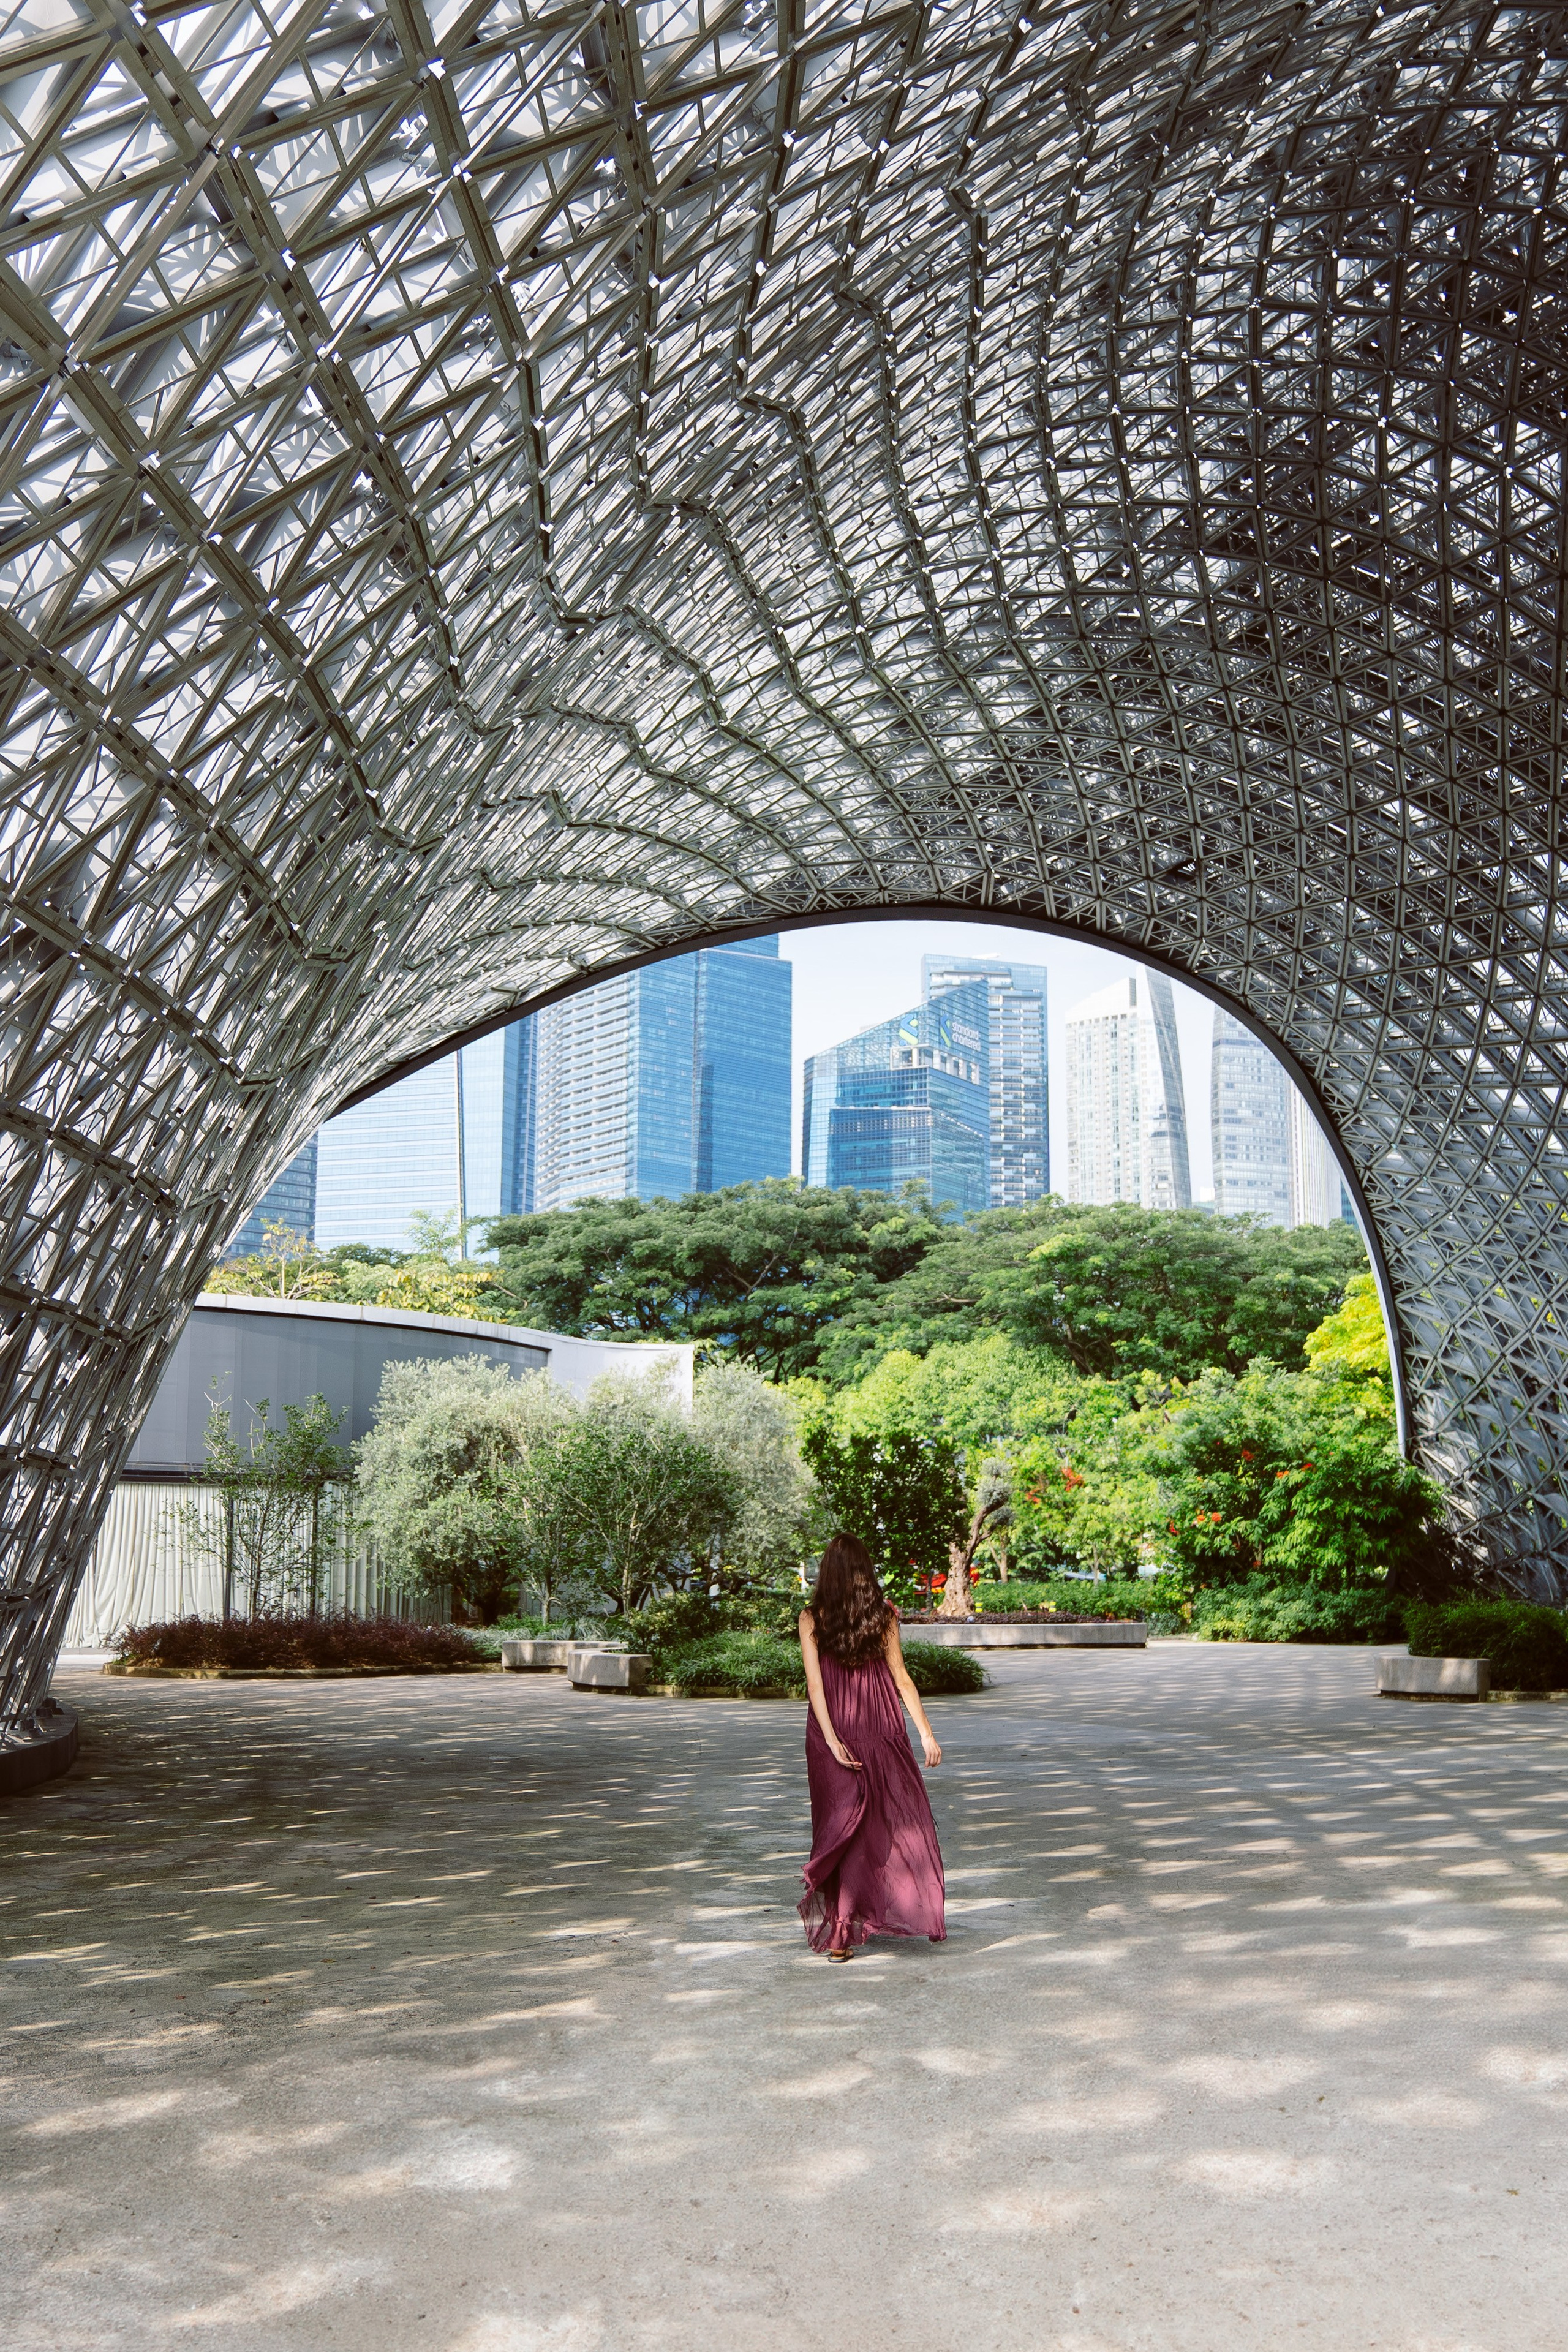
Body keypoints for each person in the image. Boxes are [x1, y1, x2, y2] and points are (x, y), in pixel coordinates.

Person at [797, 1531, 947, 1959]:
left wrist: (830, 1740)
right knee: (882, 1823)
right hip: (880, 1724)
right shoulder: (882, 1615)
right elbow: (901, 1677)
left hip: (834, 1729)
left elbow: (815, 1685)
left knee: (840, 1827)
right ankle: (871, 1913)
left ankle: (842, 1931)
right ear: (866, 1571)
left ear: (827, 1571)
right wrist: (926, 1733)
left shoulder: (811, 1617)